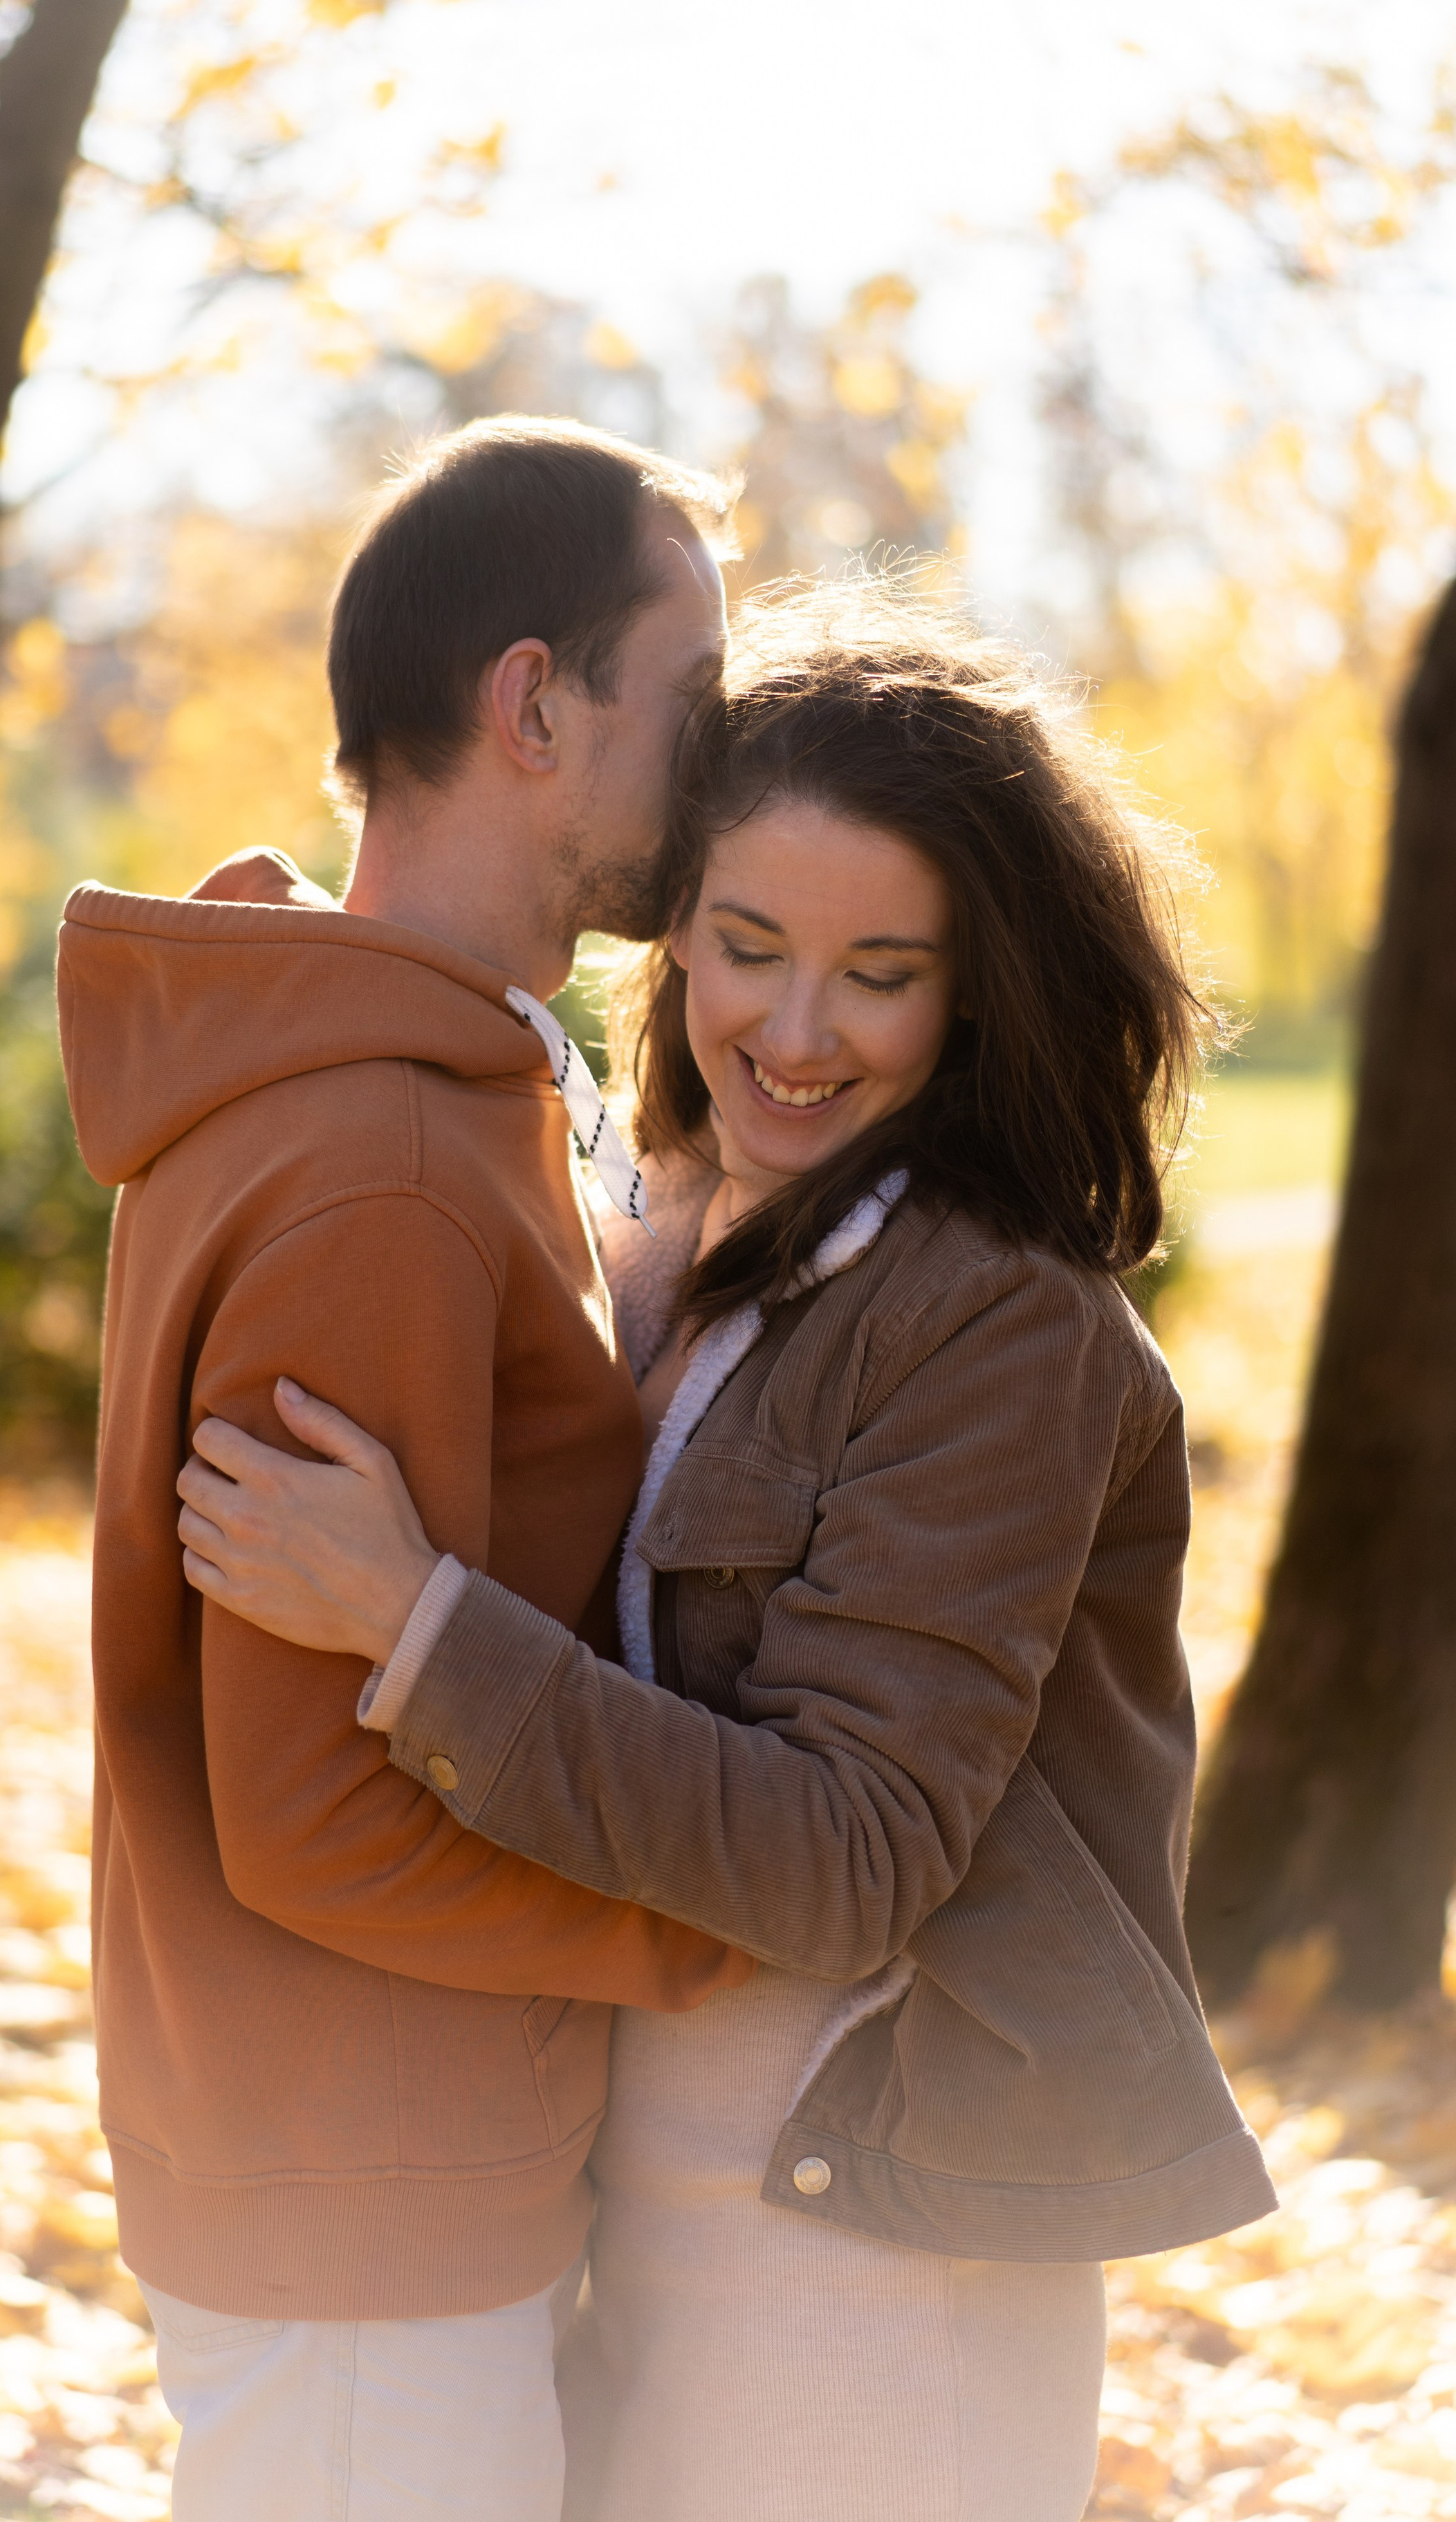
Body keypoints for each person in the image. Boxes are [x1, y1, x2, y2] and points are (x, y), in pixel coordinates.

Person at [173, 582, 1279, 2522]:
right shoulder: (668, 1228)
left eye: (881, 973)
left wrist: (409, 1626)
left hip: (875, 2234)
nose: (791, 1027)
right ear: (674, 927)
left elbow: (849, 1857)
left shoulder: (1001, 1326)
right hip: (641, 2193)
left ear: (979, 987)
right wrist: (296, 1001)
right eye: (747, 946)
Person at [57, 417, 755, 2522]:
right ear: (535, 702)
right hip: (368, 2195)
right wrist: (710, 1927)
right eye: (697, 700)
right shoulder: (375, 1162)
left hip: (370, 2155)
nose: (731, 760)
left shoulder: (403, 1092)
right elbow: (311, 1819)